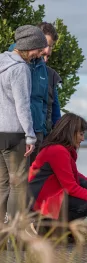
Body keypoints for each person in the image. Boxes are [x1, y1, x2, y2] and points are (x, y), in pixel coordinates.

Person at [28, 113, 87, 223]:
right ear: (71, 132)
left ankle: (58, 234)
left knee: (79, 205)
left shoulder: (61, 149)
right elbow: (70, 188)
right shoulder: (58, 151)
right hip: (36, 201)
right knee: (81, 207)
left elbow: (72, 174)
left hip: (42, 197)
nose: (83, 138)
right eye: (81, 134)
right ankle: (42, 228)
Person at [0, 25, 48, 223]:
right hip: (15, 134)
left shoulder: (2, 62)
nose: (40, 53)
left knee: (2, 185)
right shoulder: (20, 68)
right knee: (18, 186)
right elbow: (22, 105)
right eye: (38, 49)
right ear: (29, 46)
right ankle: (15, 238)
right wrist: (30, 135)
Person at [37, 22, 62, 134]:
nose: (46, 59)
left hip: (44, 140)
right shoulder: (17, 69)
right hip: (19, 140)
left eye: (50, 46)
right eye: (45, 45)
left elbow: (56, 115)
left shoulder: (51, 75)